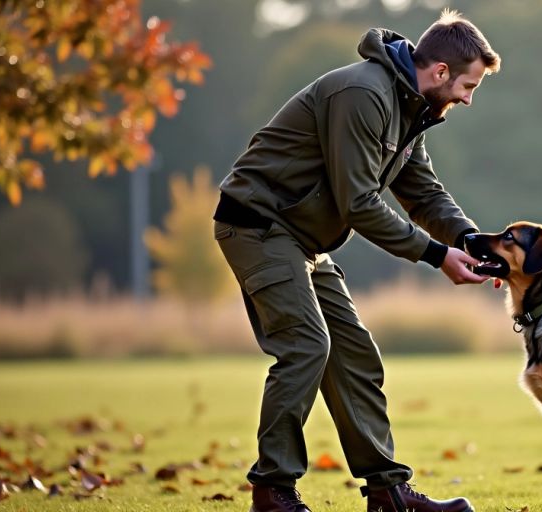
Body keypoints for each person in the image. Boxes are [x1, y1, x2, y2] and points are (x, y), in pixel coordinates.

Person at [213, 10, 500, 512]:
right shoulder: (364, 94)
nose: (467, 99)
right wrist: (437, 255)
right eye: (467, 86)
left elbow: (423, 192)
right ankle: (272, 492)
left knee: (353, 353)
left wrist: (471, 241)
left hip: (301, 238)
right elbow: (359, 203)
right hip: (259, 225)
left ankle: (389, 494)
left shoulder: (411, 109)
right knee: (306, 345)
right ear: (439, 73)